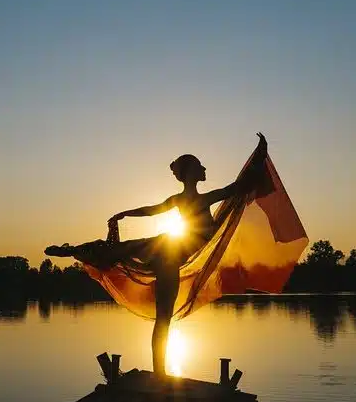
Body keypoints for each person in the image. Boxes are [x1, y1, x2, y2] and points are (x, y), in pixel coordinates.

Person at [48, 132, 269, 375]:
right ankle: (72, 250)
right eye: (199, 166)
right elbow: (233, 189)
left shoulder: (188, 199)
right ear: (191, 174)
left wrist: (259, 155)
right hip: (168, 252)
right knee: (159, 309)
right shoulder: (202, 198)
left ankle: (160, 373)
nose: (204, 169)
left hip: (169, 256)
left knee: (160, 310)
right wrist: (260, 155)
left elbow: (232, 190)